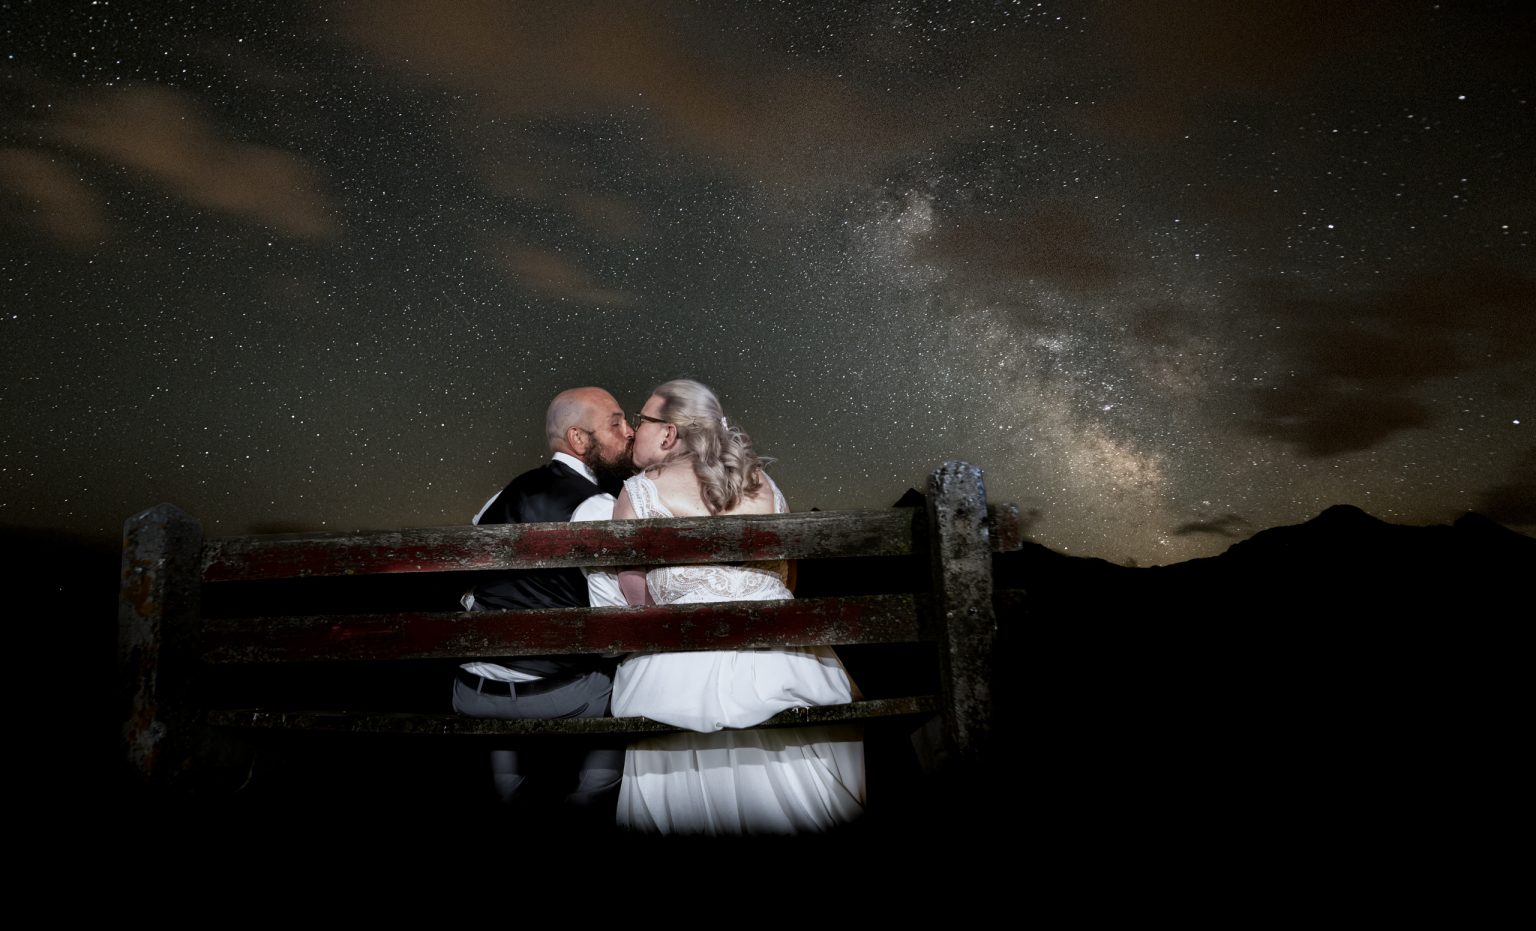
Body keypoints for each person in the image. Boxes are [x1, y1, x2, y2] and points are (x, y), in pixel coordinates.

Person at [609, 379, 866, 834]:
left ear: (668, 433)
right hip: (782, 661)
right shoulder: (764, 484)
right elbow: (785, 574)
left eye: (641, 420)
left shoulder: (639, 492)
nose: (633, 431)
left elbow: (637, 596)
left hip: (681, 668)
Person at [452, 386, 633, 820]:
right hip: (551, 694)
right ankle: (590, 799)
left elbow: (471, 585)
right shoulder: (597, 505)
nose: (629, 433)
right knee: (635, 682)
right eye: (616, 423)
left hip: (471, 691)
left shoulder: (503, 494)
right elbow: (613, 624)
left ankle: (509, 797)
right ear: (578, 439)